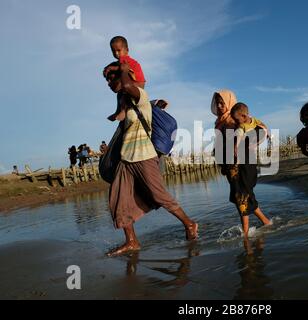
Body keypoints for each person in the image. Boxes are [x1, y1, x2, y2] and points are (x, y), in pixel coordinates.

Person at [104, 60, 197, 257]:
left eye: (111, 78)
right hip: (126, 159)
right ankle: (131, 241)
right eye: (107, 79)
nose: (109, 82)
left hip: (145, 155)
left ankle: (189, 224)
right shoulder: (126, 104)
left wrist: (121, 69)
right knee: (118, 199)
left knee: (159, 195)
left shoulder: (141, 96)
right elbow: (121, 107)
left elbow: (128, 86)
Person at [211, 91, 271, 238]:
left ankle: (245, 234)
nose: (219, 106)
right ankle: (266, 222)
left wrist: (253, 142)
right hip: (230, 166)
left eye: (222, 102)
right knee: (242, 196)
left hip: (242, 164)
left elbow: (261, 128)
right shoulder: (220, 123)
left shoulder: (236, 119)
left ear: (229, 102)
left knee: (241, 197)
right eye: (217, 102)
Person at [103, 36, 146, 122]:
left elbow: (124, 68)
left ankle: (123, 111)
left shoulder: (125, 60)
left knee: (124, 93)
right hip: (133, 82)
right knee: (119, 94)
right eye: (113, 51)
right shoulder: (119, 62)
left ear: (127, 50)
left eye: (119, 50)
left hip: (137, 82)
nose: (116, 54)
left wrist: (111, 68)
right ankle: (118, 111)